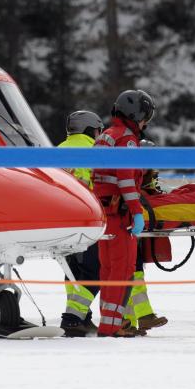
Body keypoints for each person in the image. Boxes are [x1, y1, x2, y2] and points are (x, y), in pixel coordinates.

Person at [92, 89, 157, 337]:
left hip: (104, 214)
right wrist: (136, 212)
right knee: (122, 270)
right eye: (144, 119)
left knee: (107, 270)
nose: (144, 124)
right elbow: (127, 182)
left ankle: (108, 322)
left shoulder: (105, 136)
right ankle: (112, 327)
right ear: (136, 115)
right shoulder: (127, 140)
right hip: (120, 217)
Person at [58, 110, 104, 337]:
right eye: (98, 131)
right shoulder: (95, 151)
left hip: (59, 224)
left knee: (73, 271)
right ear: (90, 129)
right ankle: (73, 317)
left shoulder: (56, 150)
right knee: (96, 270)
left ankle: (82, 318)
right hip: (88, 222)